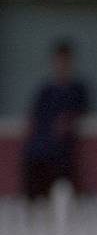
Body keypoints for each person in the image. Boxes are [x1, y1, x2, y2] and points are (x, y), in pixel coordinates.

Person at [22, 40, 90, 200]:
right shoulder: (45, 90)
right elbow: (34, 117)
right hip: (40, 149)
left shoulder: (77, 88)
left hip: (62, 151)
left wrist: (67, 122)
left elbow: (80, 112)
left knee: (63, 192)